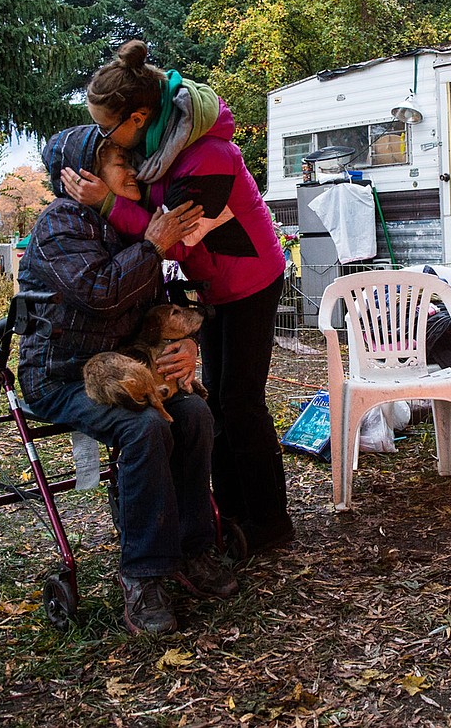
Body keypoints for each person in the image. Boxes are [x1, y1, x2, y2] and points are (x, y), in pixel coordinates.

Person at [62, 40, 293, 554]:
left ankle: (270, 525)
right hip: (212, 282)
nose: (107, 139)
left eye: (107, 128)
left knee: (242, 402)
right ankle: (230, 514)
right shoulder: (162, 146)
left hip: (249, 282)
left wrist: (105, 204)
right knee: (218, 397)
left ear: (139, 116)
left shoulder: (208, 156)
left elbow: (172, 233)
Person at [18, 125, 237, 635]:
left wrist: (184, 344)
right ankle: (144, 576)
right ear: (80, 175)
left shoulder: (123, 225)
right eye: (121, 161)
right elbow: (101, 294)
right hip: (62, 375)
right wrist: (154, 246)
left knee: (196, 414)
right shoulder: (59, 226)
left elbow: (155, 307)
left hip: (127, 364)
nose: (135, 170)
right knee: (145, 429)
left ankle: (192, 548)